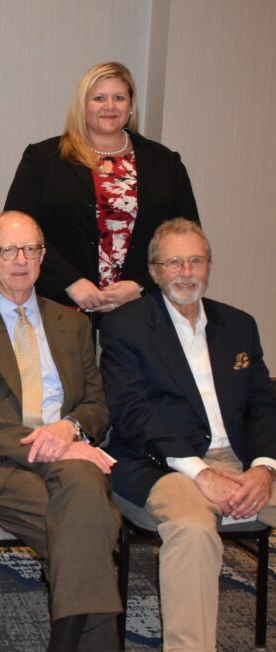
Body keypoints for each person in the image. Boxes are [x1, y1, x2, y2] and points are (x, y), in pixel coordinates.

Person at [0, 211, 122, 650]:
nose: (20, 259)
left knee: (80, 513)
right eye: (8, 250)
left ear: (42, 257)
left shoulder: (73, 324)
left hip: (67, 455)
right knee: (93, 521)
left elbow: (97, 406)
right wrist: (50, 443)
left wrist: (69, 428)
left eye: (31, 249)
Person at [101, 218, 276, 651]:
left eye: (196, 261)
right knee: (195, 528)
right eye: (174, 262)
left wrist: (263, 468)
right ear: (155, 270)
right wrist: (201, 473)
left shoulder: (239, 325)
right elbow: (133, 414)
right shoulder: (126, 327)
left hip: (240, 462)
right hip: (159, 463)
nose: (186, 272)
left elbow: (263, 405)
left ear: (209, 266)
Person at [4, 61, 199, 314]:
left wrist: (141, 284)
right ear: (83, 106)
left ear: (130, 106)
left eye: (119, 97)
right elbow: (16, 232)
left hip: (142, 308)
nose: (110, 106)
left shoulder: (165, 163)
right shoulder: (43, 159)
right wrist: (70, 282)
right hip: (60, 306)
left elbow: (188, 238)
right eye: (99, 98)